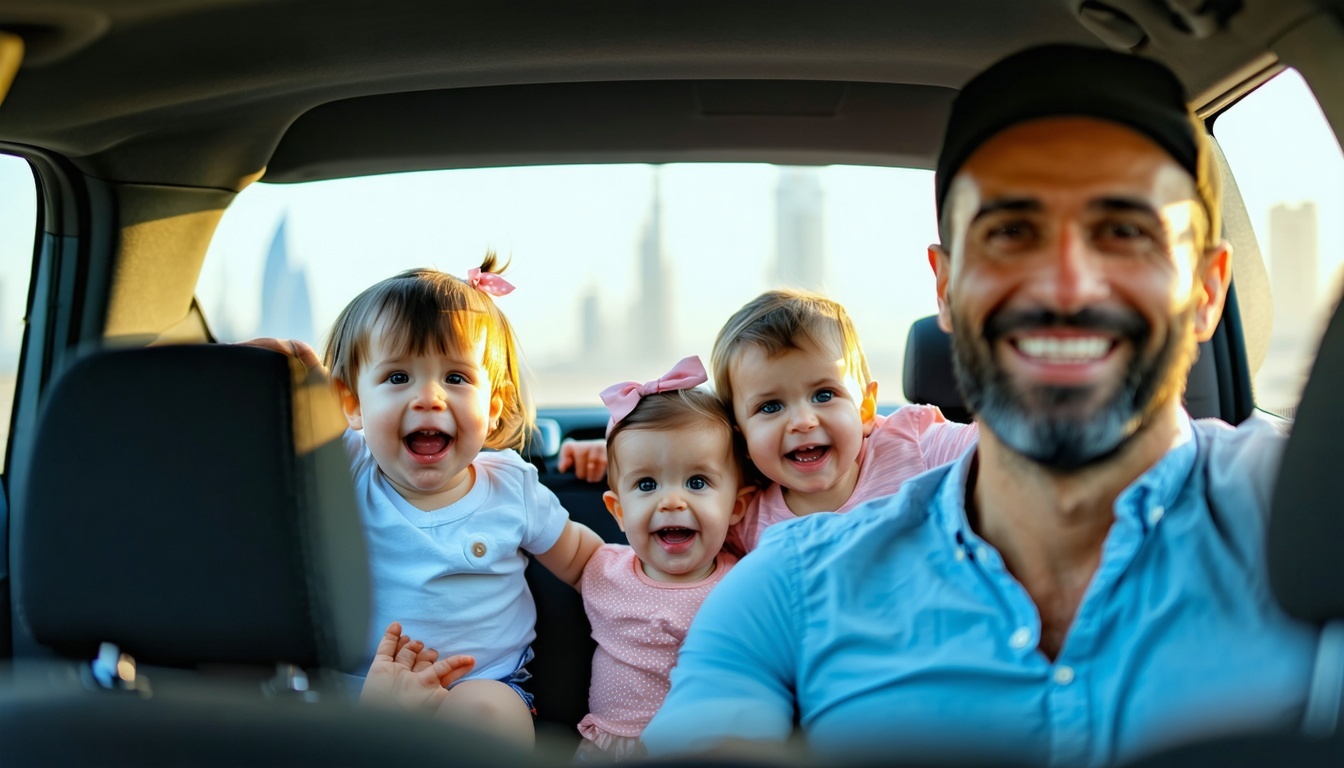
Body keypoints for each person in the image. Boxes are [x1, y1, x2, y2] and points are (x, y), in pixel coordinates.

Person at [642, 44, 1319, 766]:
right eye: (1011, 234)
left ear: (1208, 291)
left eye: (1125, 233)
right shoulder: (786, 589)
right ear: (946, 289)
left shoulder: (1310, 515)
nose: (1065, 286)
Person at [261, 260, 604, 748]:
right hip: (361, 688)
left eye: (457, 378)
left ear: (493, 405)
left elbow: (585, 560)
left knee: (492, 714)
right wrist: (275, 364)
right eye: (398, 376)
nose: (429, 397)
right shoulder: (347, 466)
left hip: (480, 682)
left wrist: (649, 586)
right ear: (352, 403)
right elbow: (281, 406)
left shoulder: (512, 487)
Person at [574, 356, 751, 761]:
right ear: (619, 511)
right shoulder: (602, 567)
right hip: (612, 749)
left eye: (697, 482)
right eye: (647, 484)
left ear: (737, 507)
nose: (672, 501)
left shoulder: (744, 582)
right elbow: (545, 529)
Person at [711, 288, 977, 553]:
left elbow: (992, 448)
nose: (803, 421)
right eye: (770, 407)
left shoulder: (912, 443)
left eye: (824, 395)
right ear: (742, 439)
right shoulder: (743, 523)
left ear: (865, 409)